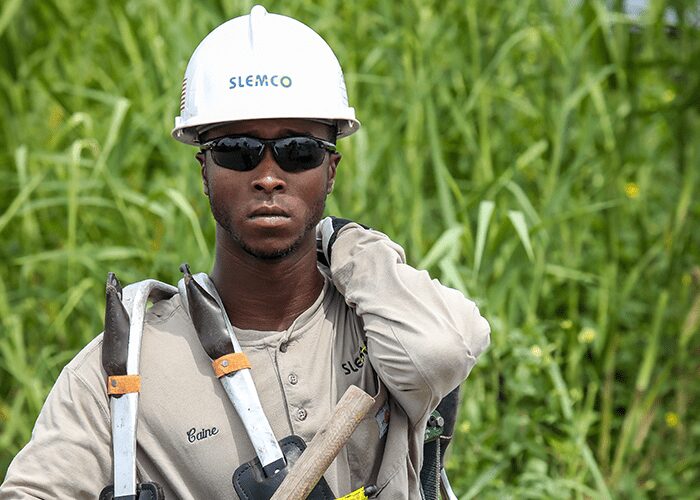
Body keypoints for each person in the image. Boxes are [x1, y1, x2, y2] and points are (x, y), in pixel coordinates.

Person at [0, 5, 489, 499]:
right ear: (204, 171)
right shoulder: (122, 371)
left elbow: (440, 351)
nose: (269, 176)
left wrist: (346, 241)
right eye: (237, 150)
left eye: (300, 151)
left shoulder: (378, 322)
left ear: (332, 169)